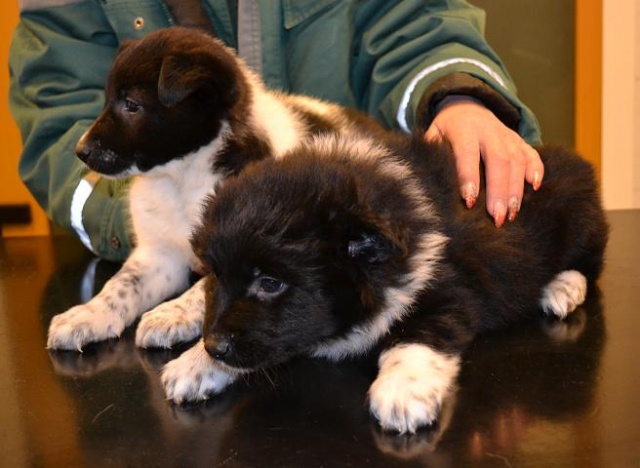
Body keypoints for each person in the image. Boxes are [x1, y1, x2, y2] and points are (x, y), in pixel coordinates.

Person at [9, 0, 543, 262]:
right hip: (155, 283)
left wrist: (456, 95)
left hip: (346, 261)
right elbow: (58, 112)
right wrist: (158, 228)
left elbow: (410, 17)